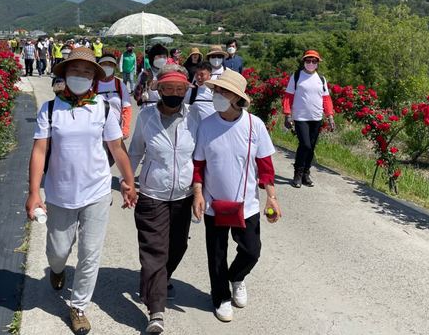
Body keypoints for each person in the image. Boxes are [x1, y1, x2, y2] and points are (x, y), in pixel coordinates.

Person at [25, 46, 138, 335]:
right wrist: (34, 192)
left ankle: (79, 306)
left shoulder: (102, 108)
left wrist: (129, 181)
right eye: (75, 70)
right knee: (58, 250)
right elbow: (40, 151)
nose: (81, 76)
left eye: (87, 72)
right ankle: (58, 270)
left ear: (94, 79)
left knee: (90, 252)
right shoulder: (50, 109)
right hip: (60, 193)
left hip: (97, 192)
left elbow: (117, 148)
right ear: (65, 74)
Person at [192, 69, 281, 323]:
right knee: (217, 254)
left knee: (251, 251)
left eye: (223, 91)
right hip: (214, 203)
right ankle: (220, 297)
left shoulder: (255, 125)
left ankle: (237, 277)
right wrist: (197, 192)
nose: (217, 95)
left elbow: (265, 166)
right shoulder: (207, 125)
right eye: (216, 90)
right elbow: (198, 164)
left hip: (247, 204)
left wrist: (271, 197)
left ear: (237, 98)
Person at [128, 65, 198, 333]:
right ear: (159, 90)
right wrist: (127, 182)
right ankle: (156, 310)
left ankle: (156, 280)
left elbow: (201, 158)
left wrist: (203, 192)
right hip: (152, 194)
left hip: (183, 195)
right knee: (154, 251)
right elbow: (135, 152)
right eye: (168, 89)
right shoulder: (146, 117)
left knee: (177, 246)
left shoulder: (195, 118)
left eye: (180, 89)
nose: (174, 93)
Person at [283, 49, 336, 188]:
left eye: (314, 61)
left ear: (318, 63)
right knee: (305, 145)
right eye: (308, 60)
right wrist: (287, 115)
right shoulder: (296, 76)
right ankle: (298, 174)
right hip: (300, 117)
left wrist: (330, 117)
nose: (311, 63)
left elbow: (326, 99)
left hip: (316, 117)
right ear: (304, 62)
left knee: (311, 147)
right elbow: (289, 97)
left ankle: (306, 173)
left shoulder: (321, 79)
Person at [96, 53, 132, 140]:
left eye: (110, 64)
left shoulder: (119, 85)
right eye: (104, 64)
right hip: (97, 132)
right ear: (99, 66)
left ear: (114, 67)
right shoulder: (93, 84)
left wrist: (125, 129)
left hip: (116, 132)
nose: (107, 66)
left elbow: (127, 108)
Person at [134, 44, 169, 109]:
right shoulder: (145, 74)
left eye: (164, 57)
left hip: (165, 108)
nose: (162, 59)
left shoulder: (169, 74)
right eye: (159, 56)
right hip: (148, 107)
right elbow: (136, 96)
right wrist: (141, 83)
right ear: (152, 58)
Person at [185, 61, 215, 126]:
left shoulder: (216, 90)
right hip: (195, 127)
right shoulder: (191, 90)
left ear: (210, 75)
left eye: (202, 74)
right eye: (196, 74)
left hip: (213, 127)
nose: (198, 77)